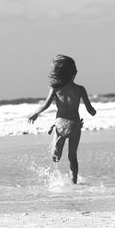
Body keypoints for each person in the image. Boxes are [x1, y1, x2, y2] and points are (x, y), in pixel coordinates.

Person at [28, 54, 96, 184]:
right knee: (72, 157)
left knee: (55, 158)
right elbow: (90, 110)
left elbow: (46, 105)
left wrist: (35, 113)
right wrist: (93, 112)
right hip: (75, 125)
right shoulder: (80, 89)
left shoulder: (55, 88)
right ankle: (73, 183)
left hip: (60, 125)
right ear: (73, 74)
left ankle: (55, 171)